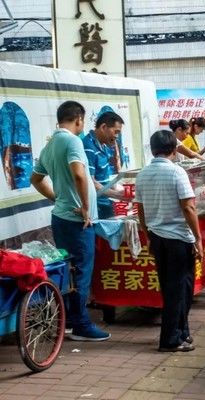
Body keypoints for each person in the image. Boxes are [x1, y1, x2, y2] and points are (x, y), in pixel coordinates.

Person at [30, 100, 110, 341]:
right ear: (79, 120)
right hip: (77, 221)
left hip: (61, 218)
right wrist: (86, 207)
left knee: (69, 271)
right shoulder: (72, 141)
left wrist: (58, 198)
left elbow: (36, 179)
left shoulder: (51, 144)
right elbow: (78, 173)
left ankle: (67, 321)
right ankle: (81, 325)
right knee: (81, 271)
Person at [134, 129, 202, 352]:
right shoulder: (176, 173)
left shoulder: (142, 174)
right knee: (179, 289)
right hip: (178, 239)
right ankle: (170, 339)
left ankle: (182, 331)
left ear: (153, 150)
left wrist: (147, 235)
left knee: (172, 287)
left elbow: (140, 209)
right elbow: (189, 207)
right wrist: (198, 239)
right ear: (174, 149)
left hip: (158, 237)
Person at [82, 111, 126, 219]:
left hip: (106, 202)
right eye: (116, 132)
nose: (116, 136)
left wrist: (120, 190)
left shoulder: (104, 146)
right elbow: (91, 182)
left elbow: (104, 177)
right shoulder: (88, 146)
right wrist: (117, 195)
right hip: (96, 206)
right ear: (103, 127)